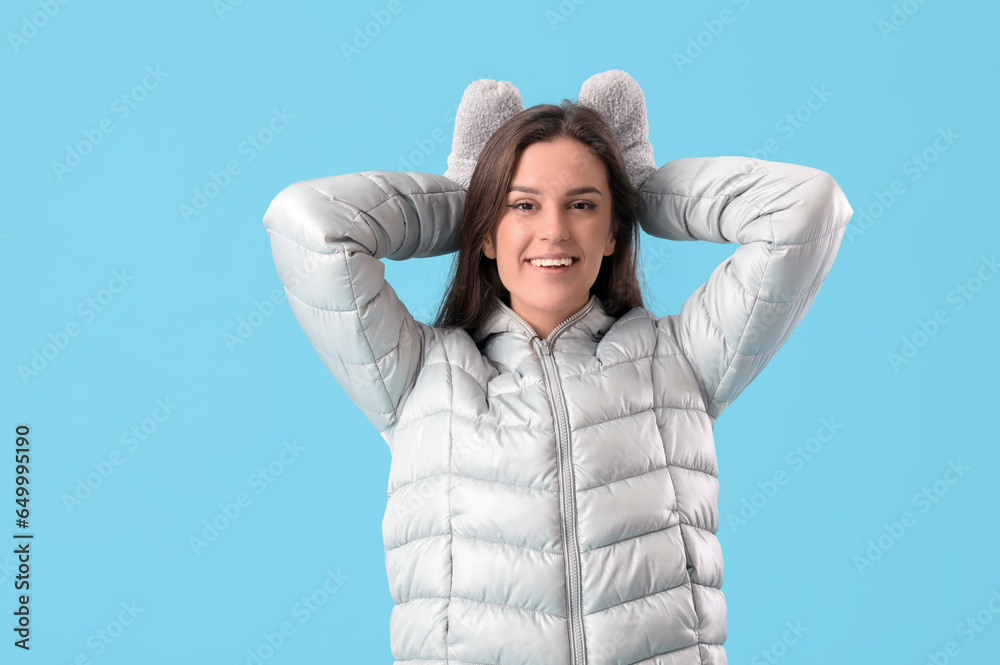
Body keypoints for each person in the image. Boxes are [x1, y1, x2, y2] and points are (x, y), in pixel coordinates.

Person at [262, 70, 853, 665]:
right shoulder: (419, 375)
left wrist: (640, 189)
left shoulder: (679, 361)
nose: (554, 230)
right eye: (522, 204)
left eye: (583, 204)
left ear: (613, 232)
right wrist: (469, 198)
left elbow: (807, 209)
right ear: (487, 232)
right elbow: (309, 224)